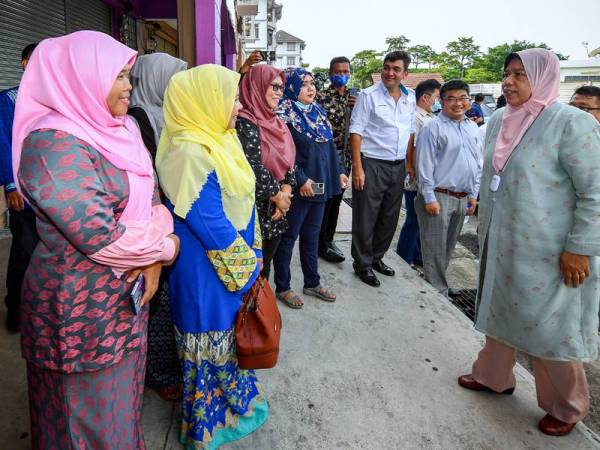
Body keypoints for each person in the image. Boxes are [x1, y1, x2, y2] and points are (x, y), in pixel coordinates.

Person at [13, 31, 180, 448]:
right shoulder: (52, 143)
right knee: (81, 428)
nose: (129, 86)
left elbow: (157, 201)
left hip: (125, 302)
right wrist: (168, 249)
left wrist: (152, 255)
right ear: (81, 76)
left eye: (129, 75)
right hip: (78, 316)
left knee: (120, 418)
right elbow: (101, 237)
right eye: (119, 76)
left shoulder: (120, 129)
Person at [458, 49, 600, 437]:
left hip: (552, 250)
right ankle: (494, 376)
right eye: (507, 74)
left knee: (550, 328)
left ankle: (568, 406)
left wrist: (580, 247)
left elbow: (595, 192)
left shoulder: (571, 123)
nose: (508, 81)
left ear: (543, 77)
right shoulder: (501, 118)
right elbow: (492, 176)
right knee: (500, 311)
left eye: (520, 74)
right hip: (504, 241)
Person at [156, 64, 268, 448]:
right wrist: (249, 267)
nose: (237, 106)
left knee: (228, 336)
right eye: (231, 98)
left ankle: (233, 407)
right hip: (206, 267)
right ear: (204, 101)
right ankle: (206, 427)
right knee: (210, 337)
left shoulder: (219, 139)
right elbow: (209, 223)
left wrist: (253, 253)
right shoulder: (190, 151)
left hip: (227, 260)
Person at [128, 52, 188, 402]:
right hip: (152, 221)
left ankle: (162, 365)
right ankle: (158, 372)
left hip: (167, 214)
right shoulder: (137, 120)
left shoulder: (163, 114)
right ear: (155, 80)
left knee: (165, 296)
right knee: (157, 297)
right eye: (171, 80)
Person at [274, 67, 348, 309]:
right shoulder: (284, 115)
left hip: (320, 185)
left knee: (312, 235)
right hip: (299, 187)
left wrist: (339, 171)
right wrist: (301, 180)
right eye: (304, 83)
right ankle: (283, 286)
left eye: (312, 83)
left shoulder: (318, 112)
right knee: (289, 237)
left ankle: (311, 282)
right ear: (292, 87)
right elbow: (285, 155)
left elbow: (330, 147)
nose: (310, 88)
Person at [349, 51, 416, 287]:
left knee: (389, 217)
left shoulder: (411, 98)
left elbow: (409, 133)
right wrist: (358, 168)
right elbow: (355, 132)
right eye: (387, 67)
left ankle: (377, 257)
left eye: (396, 69)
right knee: (366, 217)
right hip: (372, 163)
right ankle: (362, 264)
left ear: (405, 74)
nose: (390, 72)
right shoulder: (368, 96)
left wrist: (408, 164)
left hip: (397, 166)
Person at [415, 80, 481, 297]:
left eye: (463, 98)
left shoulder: (472, 128)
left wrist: (473, 194)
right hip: (439, 196)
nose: (457, 103)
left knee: (448, 246)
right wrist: (428, 197)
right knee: (434, 248)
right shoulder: (432, 127)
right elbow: (424, 164)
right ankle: (437, 292)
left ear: (469, 101)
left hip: (462, 196)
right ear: (441, 102)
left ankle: (439, 283)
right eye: (451, 98)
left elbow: (477, 162)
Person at [236, 64, 295, 280]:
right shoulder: (244, 121)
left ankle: (262, 310)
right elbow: (252, 166)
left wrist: (287, 189)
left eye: (281, 88)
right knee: (253, 271)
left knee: (265, 269)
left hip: (277, 209)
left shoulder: (277, 122)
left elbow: (290, 159)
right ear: (257, 86)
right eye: (274, 87)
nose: (279, 93)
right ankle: (252, 314)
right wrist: (277, 196)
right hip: (255, 210)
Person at [0, 43, 38, 332]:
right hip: (22, 190)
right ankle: (15, 310)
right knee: (24, 249)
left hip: (52, 190)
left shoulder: (51, 99)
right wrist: (11, 185)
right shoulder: (9, 99)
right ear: (25, 63)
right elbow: (4, 143)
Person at [396, 79, 441, 274]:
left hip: (426, 175)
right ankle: (404, 257)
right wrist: (411, 169)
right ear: (425, 97)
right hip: (416, 176)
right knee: (413, 219)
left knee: (419, 219)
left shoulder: (429, 117)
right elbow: (411, 146)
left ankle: (416, 255)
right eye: (437, 98)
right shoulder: (416, 117)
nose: (438, 102)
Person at [316, 56, 356, 263]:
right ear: (331, 73)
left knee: (337, 200)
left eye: (345, 72)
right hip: (326, 157)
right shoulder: (321, 97)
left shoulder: (354, 97)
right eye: (338, 72)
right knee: (325, 200)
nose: (342, 76)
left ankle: (329, 240)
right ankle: (319, 244)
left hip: (345, 158)